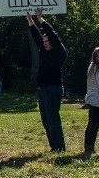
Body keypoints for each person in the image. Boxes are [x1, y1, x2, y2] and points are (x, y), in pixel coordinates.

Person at [26, 8, 68, 152]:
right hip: (42, 89)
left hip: (53, 88)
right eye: (44, 41)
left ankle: (59, 147)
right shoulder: (44, 52)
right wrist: (30, 21)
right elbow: (37, 37)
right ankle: (53, 146)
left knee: (53, 119)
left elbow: (53, 35)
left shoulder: (59, 53)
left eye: (47, 41)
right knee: (46, 120)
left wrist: (40, 19)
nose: (44, 43)